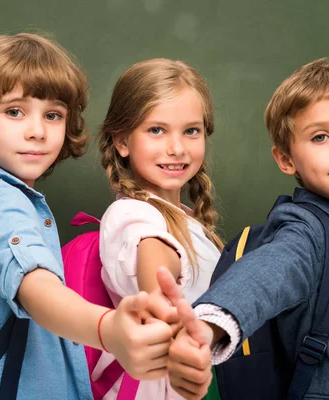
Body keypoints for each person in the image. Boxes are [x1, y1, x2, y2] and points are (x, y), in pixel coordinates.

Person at [0, 33, 177, 399]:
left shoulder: (12, 200)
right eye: (14, 111)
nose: (38, 131)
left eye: (53, 115)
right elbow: (35, 286)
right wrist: (108, 330)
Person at [164, 58, 329, 400]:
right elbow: (268, 273)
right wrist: (206, 327)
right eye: (320, 137)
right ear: (286, 159)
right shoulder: (305, 231)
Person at [97, 58, 224, 399]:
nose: (177, 148)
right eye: (156, 130)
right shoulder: (133, 215)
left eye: (191, 131)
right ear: (122, 140)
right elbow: (153, 255)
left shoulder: (180, 216)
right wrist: (159, 304)